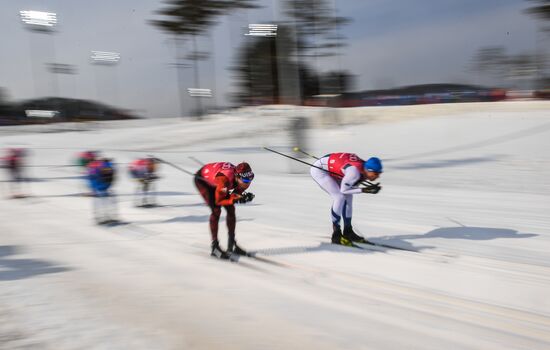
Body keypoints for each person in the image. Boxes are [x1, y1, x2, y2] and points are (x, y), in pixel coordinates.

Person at [310, 153, 382, 246]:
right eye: (376, 173)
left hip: (330, 165)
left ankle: (348, 231)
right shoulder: (354, 173)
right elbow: (344, 190)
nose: (378, 176)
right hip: (320, 171)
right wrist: (364, 190)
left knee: (349, 197)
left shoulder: (364, 169)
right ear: (369, 170)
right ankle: (336, 234)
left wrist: (364, 188)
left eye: (379, 173)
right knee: (339, 197)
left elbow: (351, 186)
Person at [194, 161, 255, 259]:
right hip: (203, 181)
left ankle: (231, 244)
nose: (248, 183)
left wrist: (240, 197)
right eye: (246, 181)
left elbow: (236, 194)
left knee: (231, 209)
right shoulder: (224, 179)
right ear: (237, 177)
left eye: (251, 179)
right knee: (216, 210)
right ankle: (214, 247)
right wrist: (236, 199)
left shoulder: (241, 178)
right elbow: (219, 201)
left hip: (217, 182)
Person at [87, 157, 117, 224]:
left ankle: (102, 217)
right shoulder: (99, 167)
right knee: (103, 202)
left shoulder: (98, 167)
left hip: (101, 187)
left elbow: (109, 178)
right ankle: (103, 217)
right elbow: (108, 177)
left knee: (102, 202)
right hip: (101, 187)